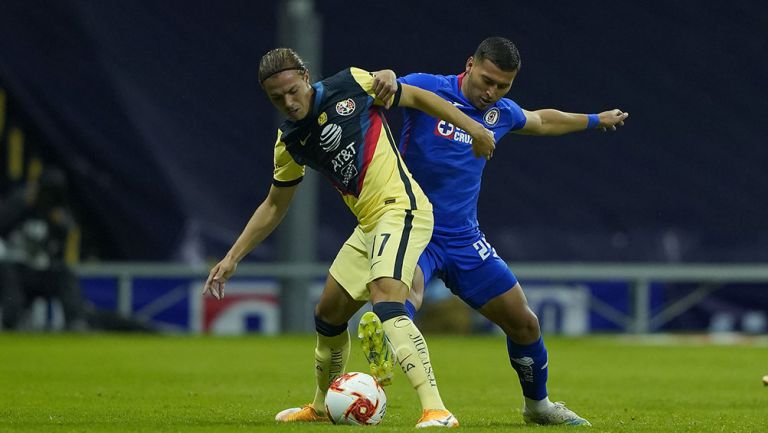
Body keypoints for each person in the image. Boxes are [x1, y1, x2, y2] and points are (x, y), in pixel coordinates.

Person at [202, 47, 496, 428]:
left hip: (402, 208)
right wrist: (232, 257)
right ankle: (321, 406)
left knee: (387, 301)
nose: (289, 103)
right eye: (277, 98)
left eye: (293, 90)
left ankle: (437, 409)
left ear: (306, 77)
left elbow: (419, 97)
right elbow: (274, 205)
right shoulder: (290, 140)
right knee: (328, 314)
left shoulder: (351, 83)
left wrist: (474, 128)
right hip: (369, 225)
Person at [368, 36, 629, 426]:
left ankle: (537, 407)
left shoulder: (501, 113)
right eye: (486, 80)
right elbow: (380, 88)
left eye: (502, 86)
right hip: (414, 226)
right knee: (405, 300)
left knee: (524, 323)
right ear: (469, 65)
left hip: (463, 238)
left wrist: (595, 120)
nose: (491, 92)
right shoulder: (428, 86)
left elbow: (542, 120)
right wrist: (385, 75)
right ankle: (382, 370)